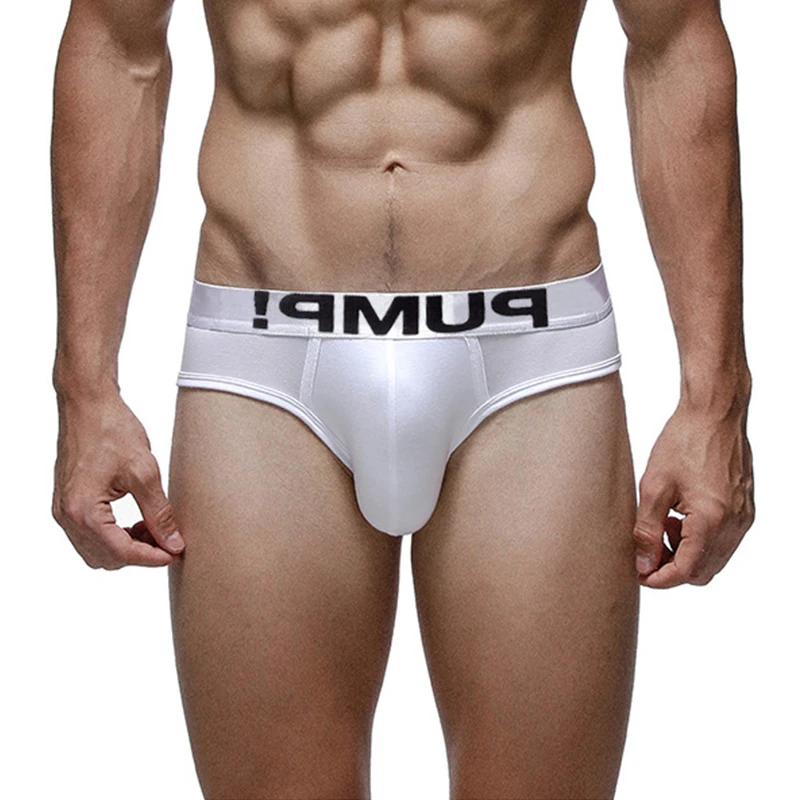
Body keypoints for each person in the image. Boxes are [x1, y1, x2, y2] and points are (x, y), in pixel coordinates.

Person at [49, 0, 755, 797]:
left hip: (530, 353)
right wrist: (85, 390)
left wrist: (715, 400)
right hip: (265, 353)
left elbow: (674, 43)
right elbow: (117, 44)